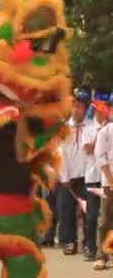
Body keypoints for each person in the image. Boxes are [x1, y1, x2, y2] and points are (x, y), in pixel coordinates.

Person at [58, 91, 92, 255]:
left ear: (86, 108)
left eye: (79, 106)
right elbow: (60, 153)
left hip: (87, 176)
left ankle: (88, 242)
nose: (76, 110)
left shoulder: (92, 127)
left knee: (88, 211)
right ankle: (69, 241)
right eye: (74, 106)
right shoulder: (64, 128)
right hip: (68, 176)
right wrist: (64, 176)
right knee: (66, 210)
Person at [82, 97, 108, 262]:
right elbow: (88, 150)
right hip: (92, 177)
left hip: (107, 178)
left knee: (106, 218)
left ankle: (105, 249)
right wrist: (101, 134)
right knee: (91, 215)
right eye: (101, 108)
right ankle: (90, 247)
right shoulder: (89, 129)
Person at [94, 101, 113, 270]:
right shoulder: (105, 132)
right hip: (109, 184)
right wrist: (111, 180)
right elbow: (100, 157)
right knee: (106, 220)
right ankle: (102, 256)